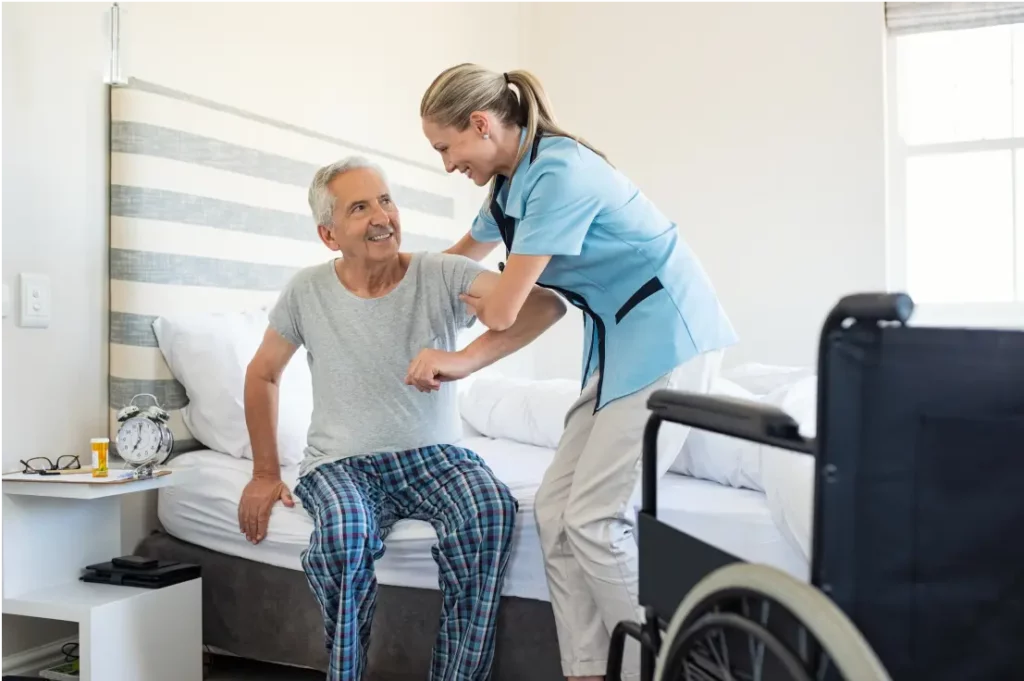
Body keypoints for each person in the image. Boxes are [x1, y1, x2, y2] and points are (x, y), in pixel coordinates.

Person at [420, 64, 738, 681]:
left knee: (595, 518)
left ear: (480, 125)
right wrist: (391, 281)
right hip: (621, 345)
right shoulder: (509, 188)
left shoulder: (559, 174)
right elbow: (458, 262)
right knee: (553, 512)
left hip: (669, 336)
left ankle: (675, 668)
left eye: (445, 147)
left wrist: (457, 356)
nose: (446, 164)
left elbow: (511, 305)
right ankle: (590, 670)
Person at [236, 156, 567, 681]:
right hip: (341, 465)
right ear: (329, 234)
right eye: (360, 207)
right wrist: (264, 473)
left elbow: (543, 308)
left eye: (386, 200)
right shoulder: (307, 291)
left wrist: (462, 361)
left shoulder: (441, 273)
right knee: (345, 535)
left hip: (433, 458)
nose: (382, 216)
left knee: (489, 509)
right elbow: (262, 375)